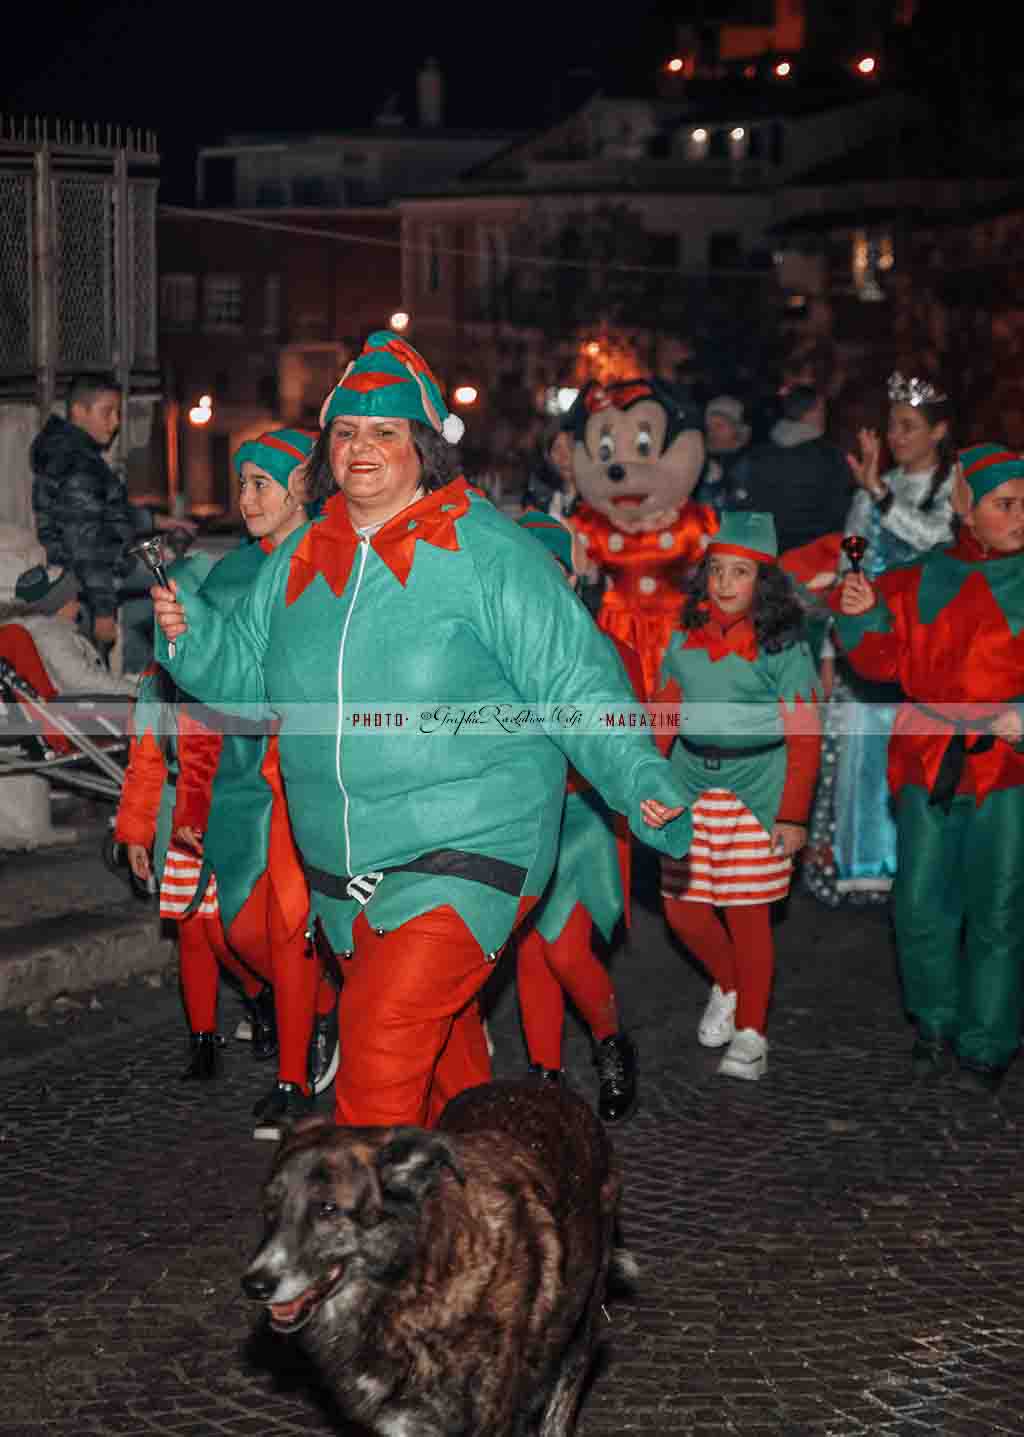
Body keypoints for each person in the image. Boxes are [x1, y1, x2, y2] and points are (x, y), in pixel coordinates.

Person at [150, 329, 691, 1132]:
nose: (359, 447)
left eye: (383, 432)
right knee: (450, 1085)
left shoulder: (484, 550)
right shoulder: (302, 556)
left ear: (424, 446)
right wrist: (191, 634)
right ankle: (496, 1218)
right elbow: (247, 674)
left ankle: (360, 1252)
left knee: (376, 1064)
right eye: (345, 431)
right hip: (344, 869)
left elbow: (570, 675)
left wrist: (638, 774)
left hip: (466, 850)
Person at [116, 430, 339, 1136]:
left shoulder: (332, 561)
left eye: (260, 483)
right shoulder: (231, 572)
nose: (245, 499)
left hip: (306, 770)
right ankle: (328, 1012)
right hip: (241, 772)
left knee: (287, 921)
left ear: (304, 483)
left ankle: (296, 1077)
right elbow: (196, 672)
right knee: (241, 934)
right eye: (241, 483)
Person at [834, 443, 1024, 1095]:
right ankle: (934, 1018)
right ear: (965, 506)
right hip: (928, 757)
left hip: (1007, 767)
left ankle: (988, 1039)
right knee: (919, 899)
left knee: (998, 902)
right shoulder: (917, 579)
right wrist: (857, 618)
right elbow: (879, 662)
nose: (1021, 516)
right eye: (1005, 504)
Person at [657, 512, 822, 1082]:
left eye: (741, 572)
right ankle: (728, 984)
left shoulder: (784, 648)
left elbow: (804, 735)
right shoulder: (683, 637)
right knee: (683, 911)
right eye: (717, 570)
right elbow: (663, 717)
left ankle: (752, 1032)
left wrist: (794, 815)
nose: (726, 583)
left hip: (759, 787)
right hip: (688, 783)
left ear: (764, 581)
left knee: (748, 912)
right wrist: (647, 785)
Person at [804, 373, 956, 907]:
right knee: (863, 758)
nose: (896, 436)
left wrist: (881, 493)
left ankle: (922, 872)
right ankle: (867, 870)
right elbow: (853, 567)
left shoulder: (955, 489)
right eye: (892, 425)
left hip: (929, 650)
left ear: (939, 432)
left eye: (909, 426)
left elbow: (938, 540)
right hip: (868, 648)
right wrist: (830, 650)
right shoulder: (873, 491)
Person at [513, 509, 642, 1122]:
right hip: (522, 820)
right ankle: (545, 1072)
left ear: (568, 578)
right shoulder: (498, 657)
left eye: (550, 568)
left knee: (564, 950)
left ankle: (611, 1043)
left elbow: (625, 741)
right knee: (531, 951)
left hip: (583, 818)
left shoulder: (607, 650)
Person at [29, 372, 196, 649]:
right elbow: (86, 544)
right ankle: (142, 680)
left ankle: (142, 676)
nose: (116, 422)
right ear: (79, 411)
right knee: (181, 583)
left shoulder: (77, 454)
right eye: (107, 412)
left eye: (117, 412)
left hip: (102, 568)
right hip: (91, 577)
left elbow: (104, 512)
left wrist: (157, 520)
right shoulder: (77, 464)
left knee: (171, 583)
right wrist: (104, 612)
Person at [731, 385, 852, 553]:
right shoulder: (830, 458)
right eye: (823, 409)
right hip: (816, 560)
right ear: (814, 411)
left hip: (766, 559)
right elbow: (842, 514)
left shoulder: (755, 456)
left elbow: (740, 509)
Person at [0, 565, 138, 700]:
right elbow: (80, 681)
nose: (79, 606)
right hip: (73, 714)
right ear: (57, 604)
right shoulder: (51, 633)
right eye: (74, 599)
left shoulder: (26, 628)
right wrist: (136, 691)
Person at [694, 395, 752, 513]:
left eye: (719, 426)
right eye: (708, 426)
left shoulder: (748, 462)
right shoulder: (698, 456)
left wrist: (713, 484)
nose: (712, 431)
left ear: (736, 428)